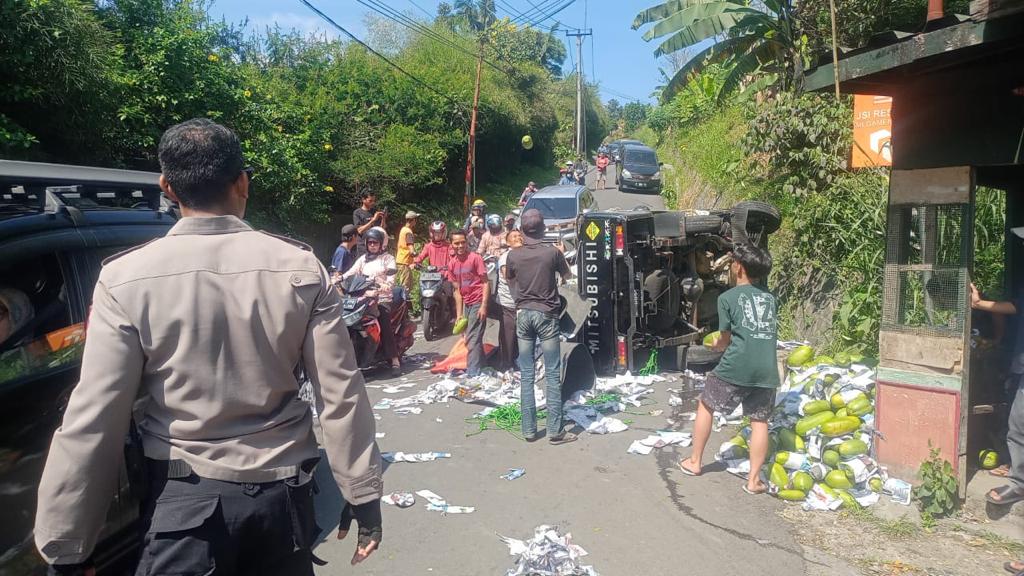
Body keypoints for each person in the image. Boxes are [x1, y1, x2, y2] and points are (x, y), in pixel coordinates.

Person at [34, 118, 382, 576]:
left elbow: (96, 414)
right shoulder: (299, 268)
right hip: (283, 505)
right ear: (242, 182)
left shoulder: (125, 279)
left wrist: (67, 542)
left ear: (166, 187)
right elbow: (339, 390)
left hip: (182, 507)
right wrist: (362, 494)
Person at [678, 242, 779, 495]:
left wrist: (713, 346)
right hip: (767, 369)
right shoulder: (770, 299)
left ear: (740, 268)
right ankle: (754, 481)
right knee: (760, 421)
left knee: (706, 404)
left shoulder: (727, 298)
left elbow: (724, 340)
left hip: (737, 366)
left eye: (734, 263)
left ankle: (695, 462)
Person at [506, 209, 573, 444]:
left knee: (527, 373)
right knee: (553, 372)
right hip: (547, 316)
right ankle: (555, 431)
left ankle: (529, 430)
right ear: (543, 229)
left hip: (523, 315)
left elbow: (510, 280)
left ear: (522, 231)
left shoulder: (513, 256)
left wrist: (520, 299)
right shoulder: (552, 253)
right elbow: (567, 277)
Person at [345, 227, 403, 377]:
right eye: (370, 242)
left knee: (383, 319)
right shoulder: (363, 259)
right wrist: (338, 278)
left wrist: (384, 285)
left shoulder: (387, 258)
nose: (372, 245)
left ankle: (394, 359)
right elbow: (351, 272)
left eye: (375, 243)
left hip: (382, 298)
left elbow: (391, 279)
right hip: (362, 297)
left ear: (380, 244)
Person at [448, 229, 489, 377]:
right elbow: (457, 292)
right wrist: (459, 315)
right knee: (473, 337)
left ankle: (473, 373)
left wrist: (484, 306)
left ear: (467, 242)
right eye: (456, 243)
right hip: (467, 304)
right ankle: (483, 365)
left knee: (472, 338)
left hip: (478, 300)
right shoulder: (452, 264)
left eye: (463, 242)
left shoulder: (475, 258)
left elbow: (485, 283)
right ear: (451, 244)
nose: (460, 246)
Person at [495, 230, 523, 372]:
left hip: (523, 302)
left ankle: (517, 361)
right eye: (514, 237)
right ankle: (506, 364)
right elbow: (509, 279)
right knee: (508, 334)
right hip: (508, 303)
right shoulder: (505, 258)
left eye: (520, 236)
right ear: (508, 242)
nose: (518, 238)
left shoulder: (525, 255)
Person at [353, 190, 385, 257]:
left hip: (375, 246)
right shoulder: (357, 212)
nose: (373, 203)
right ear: (363, 200)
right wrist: (373, 220)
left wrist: (383, 218)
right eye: (370, 201)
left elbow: (381, 229)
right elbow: (359, 230)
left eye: (374, 201)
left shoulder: (374, 212)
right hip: (363, 247)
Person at [395, 211, 419, 295]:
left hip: (401, 260)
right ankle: (402, 306)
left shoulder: (403, 229)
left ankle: (407, 305)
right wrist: (417, 256)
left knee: (409, 284)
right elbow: (411, 249)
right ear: (413, 220)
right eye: (416, 219)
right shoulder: (408, 232)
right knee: (405, 287)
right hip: (404, 261)